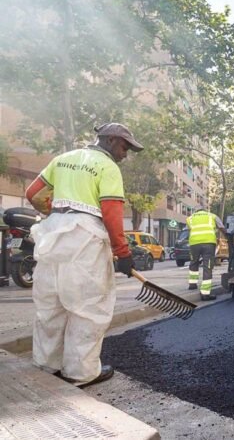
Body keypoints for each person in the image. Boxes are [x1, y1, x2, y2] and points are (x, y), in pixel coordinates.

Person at [25, 122, 144, 388]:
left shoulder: (63, 159)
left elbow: (32, 193)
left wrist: (53, 213)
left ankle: (46, 365)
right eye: (125, 147)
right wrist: (122, 252)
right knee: (88, 307)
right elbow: (111, 212)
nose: (125, 154)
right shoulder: (108, 167)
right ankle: (81, 373)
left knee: (50, 305)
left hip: (52, 236)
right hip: (85, 239)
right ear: (111, 140)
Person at [186, 207, 226, 300]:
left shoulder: (190, 218)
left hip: (194, 243)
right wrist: (228, 236)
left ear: (196, 212)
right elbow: (221, 227)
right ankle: (205, 293)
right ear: (205, 211)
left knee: (194, 262)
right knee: (207, 266)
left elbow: (189, 230)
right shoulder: (212, 216)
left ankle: (192, 284)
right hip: (208, 243)